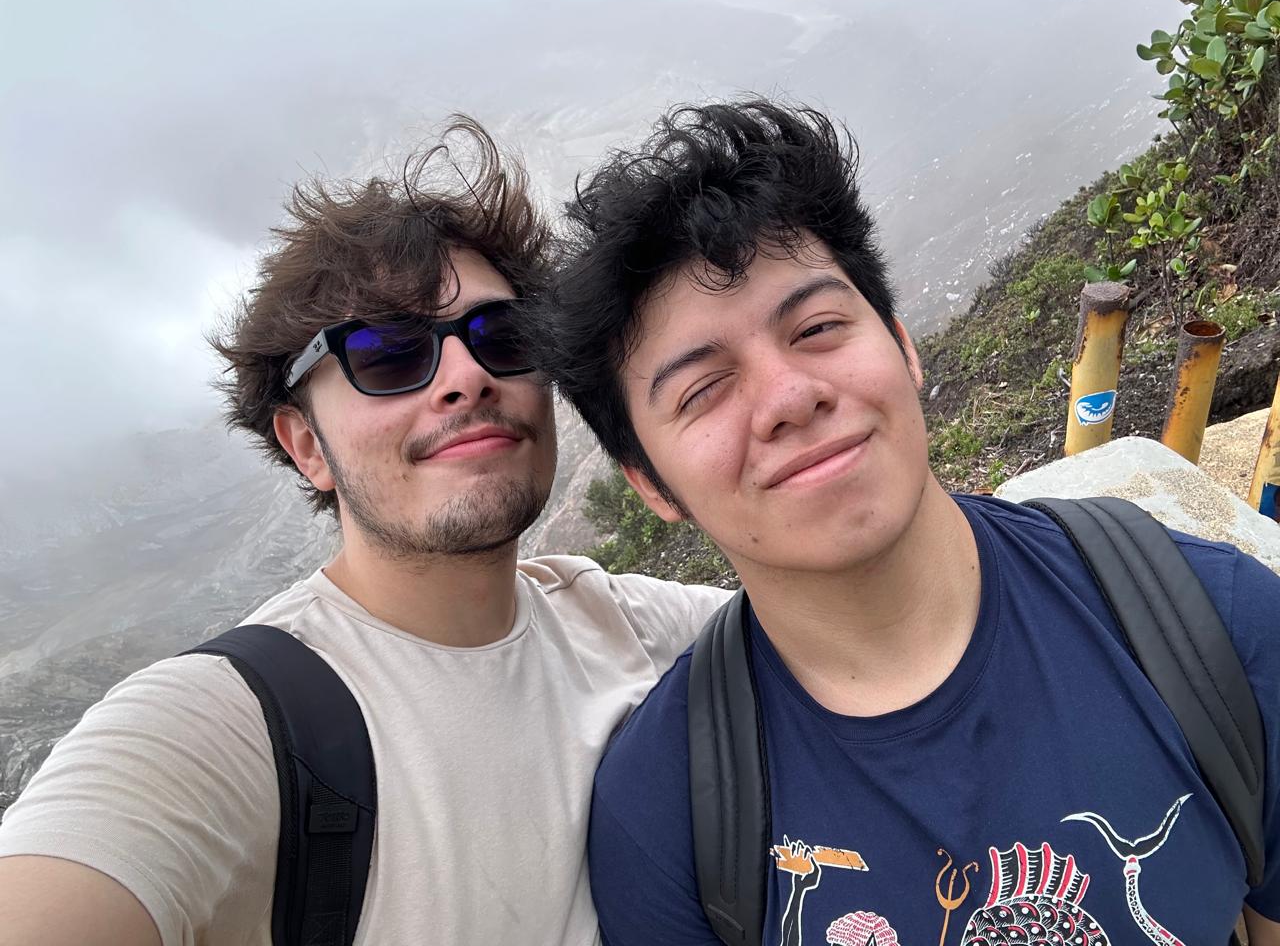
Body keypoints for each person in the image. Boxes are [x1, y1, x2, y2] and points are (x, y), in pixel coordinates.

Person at [531, 100, 1280, 945]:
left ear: (903, 345)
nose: (789, 397)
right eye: (703, 389)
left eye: (818, 328)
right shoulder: (664, 824)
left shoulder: (1219, 628)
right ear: (651, 483)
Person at [0, 118, 728, 946]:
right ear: (306, 447)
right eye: (388, 353)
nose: (467, 376)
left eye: (504, 335)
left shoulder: (637, 628)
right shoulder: (229, 725)